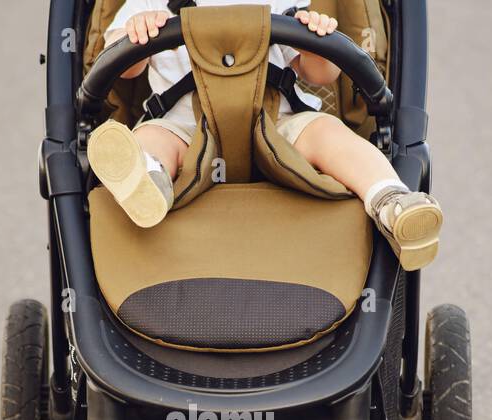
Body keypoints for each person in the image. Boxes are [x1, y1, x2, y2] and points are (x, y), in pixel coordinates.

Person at [89, 0, 443, 270]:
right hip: (183, 126)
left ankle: (390, 200)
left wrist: (316, 38)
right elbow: (122, 66)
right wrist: (135, 33)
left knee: (328, 134)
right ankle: (146, 185)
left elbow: (321, 74)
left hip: (277, 122)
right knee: (149, 141)